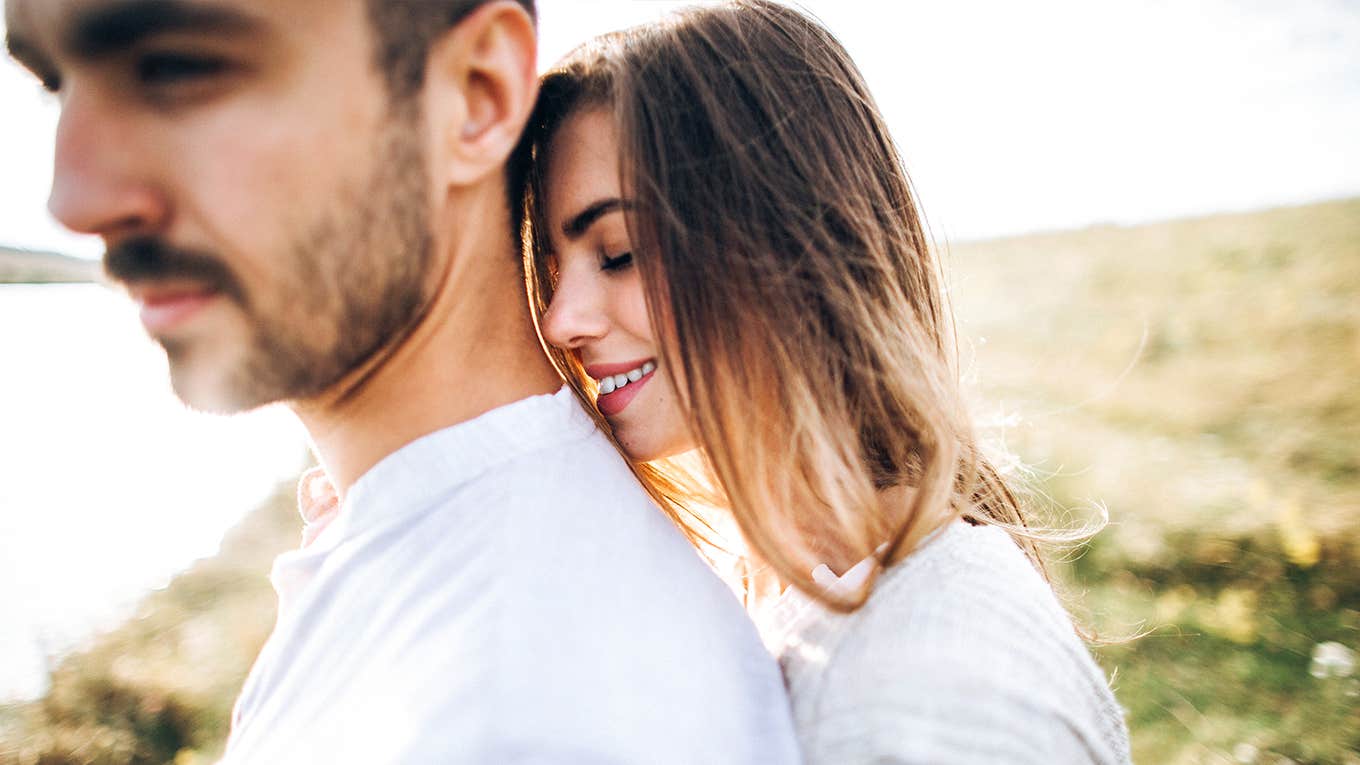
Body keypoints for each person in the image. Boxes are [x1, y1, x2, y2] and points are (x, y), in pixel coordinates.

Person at [4, 0, 800, 761]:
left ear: (474, 94)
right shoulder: (423, 547)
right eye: (54, 86)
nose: (73, 198)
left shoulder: (550, 713)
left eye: (175, 69)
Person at [524, 2, 1133, 762]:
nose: (560, 320)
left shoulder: (932, 698)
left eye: (617, 253)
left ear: (786, 245)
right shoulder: (807, 601)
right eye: (553, 274)